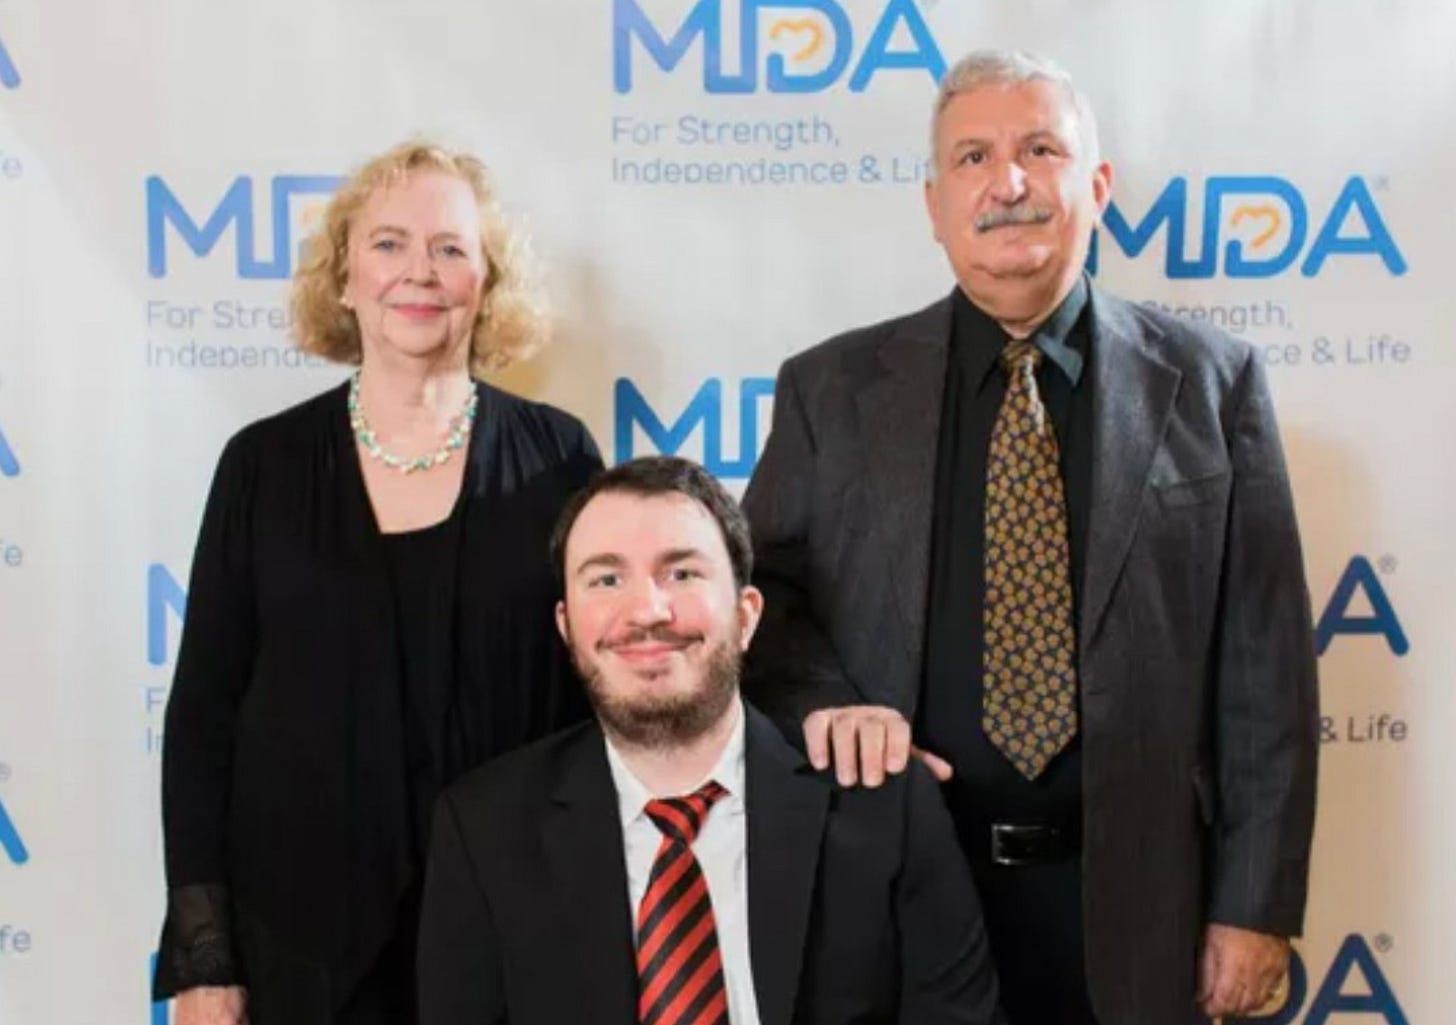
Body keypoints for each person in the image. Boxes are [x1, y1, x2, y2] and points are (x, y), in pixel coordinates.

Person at [741, 50, 1319, 1025]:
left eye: (1039, 150)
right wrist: (827, 706)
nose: (1007, 182)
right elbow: (760, 600)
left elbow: (1267, 666)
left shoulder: (1214, 385)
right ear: (934, 205)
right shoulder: (828, 391)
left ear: (1096, 185)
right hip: (901, 891)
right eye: (972, 157)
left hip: (1142, 907)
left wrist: (1253, 905)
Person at [154, 141, 602, 1025]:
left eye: (450, 247)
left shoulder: (560, 459)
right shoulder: (262, 467)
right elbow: (202, 719)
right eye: (389, 244)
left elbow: (597, 702)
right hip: (296, 951)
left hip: (512, 940)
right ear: (345, 278)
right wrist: (206, 960)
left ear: (487, 281)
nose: (418, 272)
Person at [416, 456, 1004, 1025]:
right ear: (567, 628)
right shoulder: (483, 831)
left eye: (682, 573)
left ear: (747, 616)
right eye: (607, 579)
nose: (647, 611)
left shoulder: (884, 805)